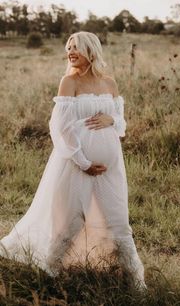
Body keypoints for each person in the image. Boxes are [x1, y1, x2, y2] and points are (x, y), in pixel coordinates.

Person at [0, 31, 146, 290]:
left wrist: (111, 120)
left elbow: (121, 124)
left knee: (119, 222)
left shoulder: (109, 83)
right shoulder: (69, 82)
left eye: (76, 46)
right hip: (76, 165)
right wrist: (83, 162)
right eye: (68, 47)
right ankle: (50, 278)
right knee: (70, 222)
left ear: (91, 50)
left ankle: (136, 283)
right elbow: (60, 128)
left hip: (111, 170)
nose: (70, 51)